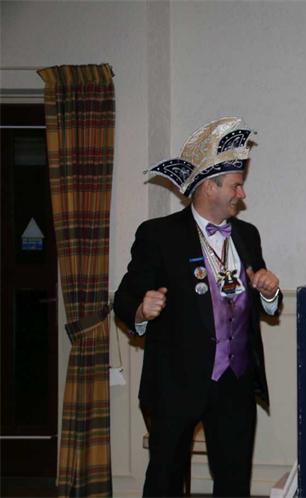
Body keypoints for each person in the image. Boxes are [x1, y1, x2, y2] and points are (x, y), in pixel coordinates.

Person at [113, 117, 281, 497]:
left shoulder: (247, 235)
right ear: (209, 186)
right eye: (236, 185)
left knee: (234, 483)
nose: (241, 193)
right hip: (177, 382)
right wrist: (141, 310)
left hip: (235, 383)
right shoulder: (159, 235)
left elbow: (264, 302)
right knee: (165, 480)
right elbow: (123, 298)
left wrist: (269, 293)